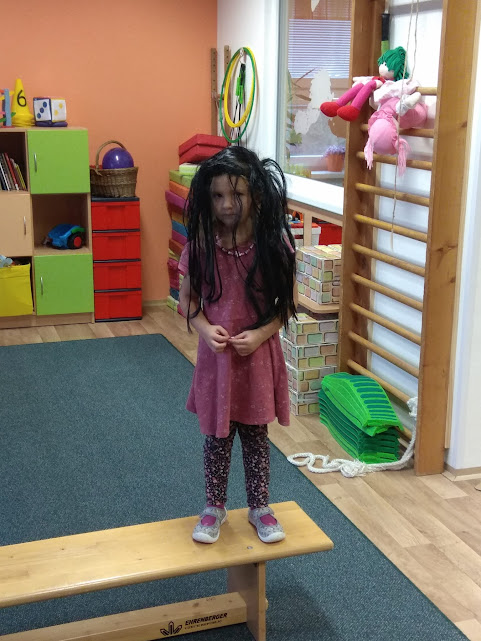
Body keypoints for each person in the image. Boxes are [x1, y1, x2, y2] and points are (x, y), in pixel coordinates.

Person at [179, 146, 297, 544]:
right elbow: (187, 302)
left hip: (257, 360)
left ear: (256, 194)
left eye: (237, 194)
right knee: (217, 438)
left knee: (256, 437)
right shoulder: (200, 246)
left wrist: (261, 334)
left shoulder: (272, 245)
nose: (227, 205)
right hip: (218, 363)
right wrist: (203, 328)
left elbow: (287, 305)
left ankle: (260, 507)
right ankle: (214, 507)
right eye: (217, 196)